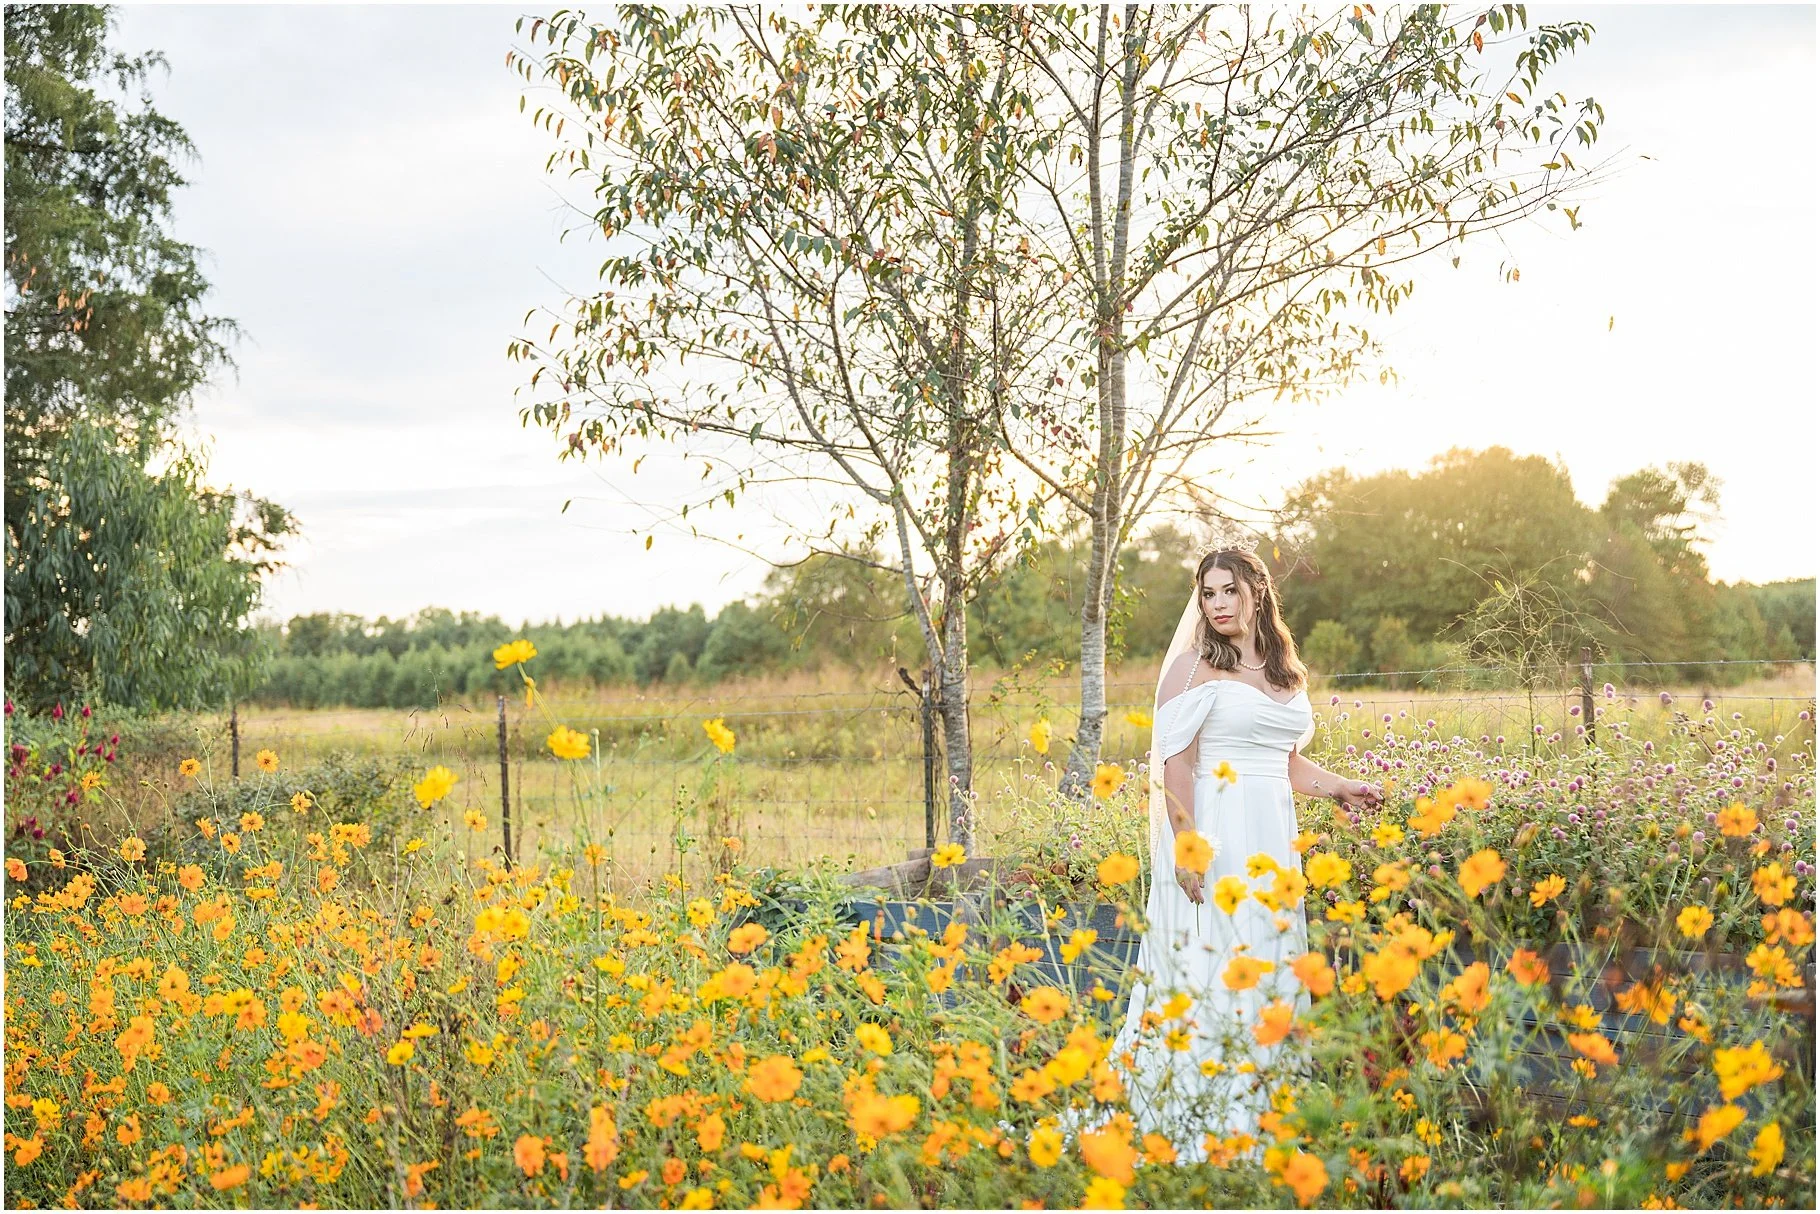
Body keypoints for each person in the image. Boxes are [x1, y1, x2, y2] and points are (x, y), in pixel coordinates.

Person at [1107, 542, 1384, 1164]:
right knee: (1215, 954)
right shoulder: (1191, 669)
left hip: (1271, 840)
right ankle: (1199, 1111)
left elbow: (1281, 763)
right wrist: (1188, 847)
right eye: (1207, 593)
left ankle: (1264, 1106)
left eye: (1228, 590)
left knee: (1265, 953)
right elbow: (1176, 766)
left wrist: (1339, 785)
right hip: (1218, 832)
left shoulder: (1285, 670)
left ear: (1257, 592)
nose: (1217, 604)